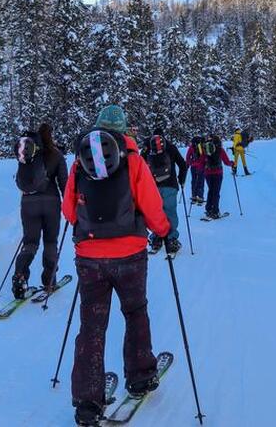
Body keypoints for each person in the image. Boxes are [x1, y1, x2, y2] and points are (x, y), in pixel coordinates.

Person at [62, 105, 171, 426]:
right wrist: (164, 231)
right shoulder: (134, 161)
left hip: (89, 258)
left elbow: (69, 212)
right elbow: (151, 205)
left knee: (92, 326)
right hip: (130, 255)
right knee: (135, 312)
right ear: (125, 131)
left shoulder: (79, 164)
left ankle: (87, 402)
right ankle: (139, 377)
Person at [12, 122, 68, 298]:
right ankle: (49, 279)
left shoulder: (28, 154)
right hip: (51, 203)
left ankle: (20, 276)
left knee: (30, 242)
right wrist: (71, 206)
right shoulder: (56, 155)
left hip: (29, 203)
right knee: (50, 242)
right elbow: (64, 185)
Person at [140, 129, 187, 254]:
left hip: (153, 186)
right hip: (170, 185)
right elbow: (183, 164)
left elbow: (139, 164)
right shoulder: (170, 147)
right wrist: (181, 179)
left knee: (156, 211)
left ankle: (156, 237)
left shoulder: (148, 148)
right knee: (170, 211)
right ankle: (171, 239)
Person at [196, 134, 235, 219]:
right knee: (216, 192)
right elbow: (226, 162)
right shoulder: (220, 150)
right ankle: (215, 211)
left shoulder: (205, 149)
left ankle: (209, 209)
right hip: (218, 173)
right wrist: (232, 163)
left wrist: (199, 171)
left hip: (207, 173)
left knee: (211, 190)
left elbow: (201, 162)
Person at [184, 135, 206, 205]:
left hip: (193, 166)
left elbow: (188, 156)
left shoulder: (191, 147)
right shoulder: (202, 147)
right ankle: (200, 196)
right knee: (201, 181)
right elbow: (204, 156)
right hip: (201, 167)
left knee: (194, 181)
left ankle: (194, 196)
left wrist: (189, 163)